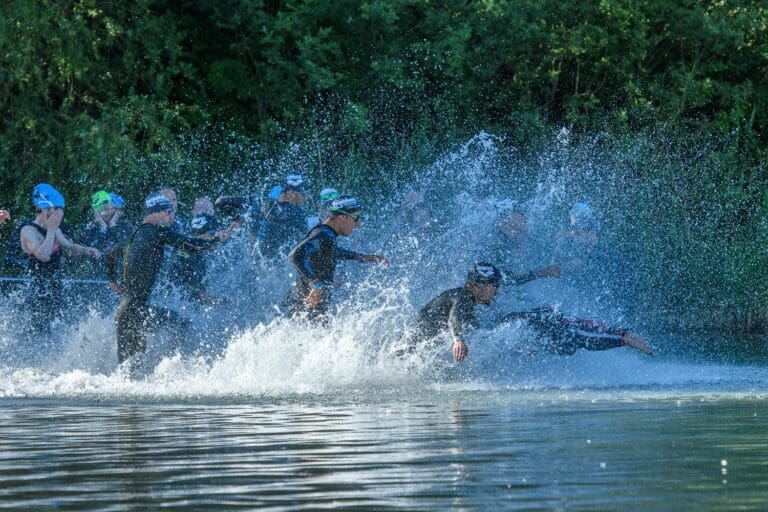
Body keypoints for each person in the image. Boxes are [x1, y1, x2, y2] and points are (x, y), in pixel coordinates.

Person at [105, 193, 230, 370]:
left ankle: (168, 368)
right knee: (183, 325)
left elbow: (109, 255)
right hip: (137, 312)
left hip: (125, 311)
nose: (172, 218)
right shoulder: (158, 232)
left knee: (127, 372)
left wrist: (112, 281)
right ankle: (184, 369)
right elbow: (192, 246)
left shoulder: (133, 236)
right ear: (157, 212)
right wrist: (217, 238)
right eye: (169, 212)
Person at [404, 262, 560, 363]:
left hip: (418, 351)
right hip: (409, 351)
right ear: (476, 287)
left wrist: (518, 348)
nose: (496, 292)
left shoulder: (468, 302)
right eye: (494, 287)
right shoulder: (461, 298)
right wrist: (458, 340)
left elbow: (483, 337)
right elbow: (454, 317)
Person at [285, 196, 387, 320]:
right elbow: (296, 255)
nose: (358, 224)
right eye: (355, 218)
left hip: (310, 307)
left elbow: (329, 252)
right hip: (306, 306)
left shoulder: (327, 234)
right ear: (342, 217)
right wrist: (316, 284)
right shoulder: (322, 234)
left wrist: (362, 257)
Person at [19, 183, 101, 334]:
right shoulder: (28, 230)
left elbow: (69, 246)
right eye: (57, 210)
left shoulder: (55, 229)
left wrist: (86, 250)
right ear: (45, 209)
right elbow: (43, 255)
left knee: (61, 329)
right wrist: (50, 231)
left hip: (55, 287)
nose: (60, 215)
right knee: (40, 332)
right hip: (38, 292)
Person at [499, 306, 653, 356]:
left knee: (578, 338)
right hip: (542, 326)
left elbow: (585, 330)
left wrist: (623, 335)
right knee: (577, 339)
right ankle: (624, 336)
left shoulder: (548, 321)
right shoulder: (504, 335)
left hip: (545, 322)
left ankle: (624, 336)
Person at [171, 196, 238, 303]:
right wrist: (223, 302)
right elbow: (196, 297)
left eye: (208, 210)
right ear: (193, 212)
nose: (204, 212)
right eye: (201, 209)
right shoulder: (190, 255)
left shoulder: (189, 243)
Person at [77, 190, 133, 278]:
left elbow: (125, 246)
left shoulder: (125, 226)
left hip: (122, 274)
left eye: (113, 209)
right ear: (96, 212)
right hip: (96, 276)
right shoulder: (89, 229)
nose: (110, 212)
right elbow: (94, 250)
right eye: (105, 209)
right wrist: (103, 228)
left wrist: (113, 225)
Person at [257, 174, 309, 258]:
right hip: (268, 240)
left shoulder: (295, 209)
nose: (303, 196)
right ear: (291, 192)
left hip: (277, 239)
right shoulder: (277, 193)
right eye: (301, 191)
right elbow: (264, 209)